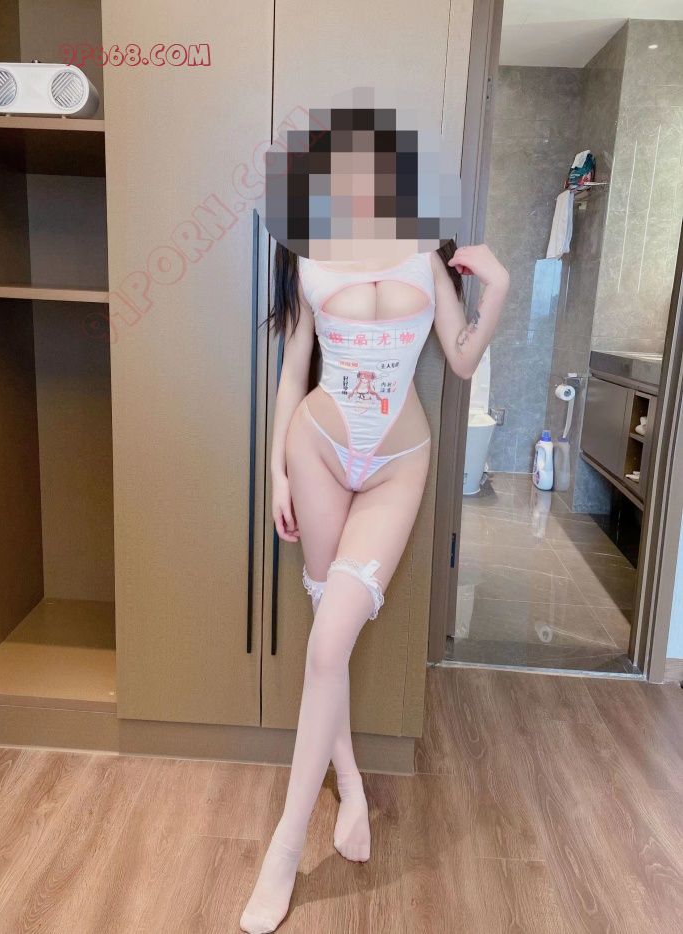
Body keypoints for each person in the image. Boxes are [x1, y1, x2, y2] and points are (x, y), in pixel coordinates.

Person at [240, 102, 509, 934]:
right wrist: (276, 469)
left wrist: (497, 287)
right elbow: (293, 370)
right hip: (318, 449)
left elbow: (459, 359)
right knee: (333, 639)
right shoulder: (307, 251)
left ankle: (286, 846)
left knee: (329, 642)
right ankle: (349, 784)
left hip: (397, 463)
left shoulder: (425, 253)